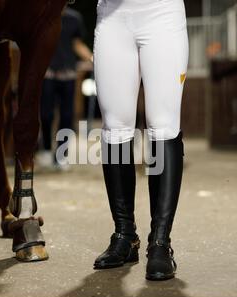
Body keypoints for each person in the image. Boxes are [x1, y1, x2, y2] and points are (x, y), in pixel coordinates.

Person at [93, 0, 189, 281]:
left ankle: (160, 242)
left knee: (163, 125)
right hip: (112, 16)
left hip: (161, 12)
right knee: (115, 126)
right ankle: (125, 235)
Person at [38, 5, 93, 171]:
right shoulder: (43, 14)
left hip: (68, 73)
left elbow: (77, 44)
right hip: (48, 72)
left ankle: (61, 155)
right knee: (46, 114)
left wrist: (92, 58)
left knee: (67, 116)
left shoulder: (74, 18)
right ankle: (47, 148)